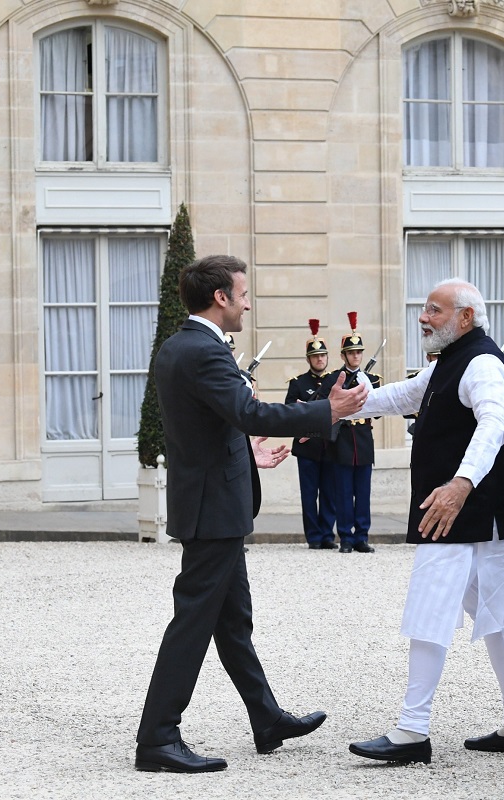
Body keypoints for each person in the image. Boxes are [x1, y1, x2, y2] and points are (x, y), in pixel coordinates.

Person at [134, 254, 369, 774]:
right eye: (242, 294)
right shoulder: (205, 352)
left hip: (214, 502)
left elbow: (211, 425)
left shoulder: (180, 346)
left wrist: (249, 452)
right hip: (214, 509)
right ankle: (156, 738)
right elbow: (249, 412)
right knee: (192, 622)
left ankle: (265, 718)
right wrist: (327, 411)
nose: (247, 302)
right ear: (220, 298)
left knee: (232, 622)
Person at [343, 278, 504, 765]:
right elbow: (399, 397)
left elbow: (496, 424)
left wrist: (460, 484)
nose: (423, 317)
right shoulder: (449, 364)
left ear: (465, 317)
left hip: (462, 512)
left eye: (434, 310)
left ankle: (412, 733)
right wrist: (342, 405)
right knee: (498, 621)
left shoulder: (481, 364)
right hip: (472, 516)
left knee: (433, 611)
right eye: (424, 309)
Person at [317, 312, 381, 554]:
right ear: (343, 355)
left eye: (359, 352)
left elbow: (377, 412)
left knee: (362, 493)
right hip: (342, 442)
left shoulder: (371, 378)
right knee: (343, 493)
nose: (356, 355)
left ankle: (362, 536)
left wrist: (368, 389)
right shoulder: (334, 379)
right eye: (352, 352)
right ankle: (345, 536)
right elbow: (324, 407)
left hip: (363, 441)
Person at [284, 320, 338, 550]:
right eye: (315, 356)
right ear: (308, 359)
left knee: (329, 492)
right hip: (307, 446)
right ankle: (313, 537)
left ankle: (327, 534)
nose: (320, 359)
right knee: (309, 494)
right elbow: (289, 411)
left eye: (323, 355)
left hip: (329, 444)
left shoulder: (334, 380)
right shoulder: (298, 383)